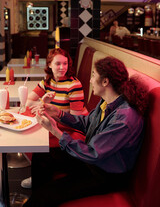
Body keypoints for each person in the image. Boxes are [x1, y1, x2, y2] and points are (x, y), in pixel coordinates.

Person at [23, 56, 148, 207]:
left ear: (105, 81)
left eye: (93, 75)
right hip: (95, 161)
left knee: (42, 198)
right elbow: (86, 122)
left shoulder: (123, 119)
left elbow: (91, 153)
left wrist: (54, 130)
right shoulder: (108, 102)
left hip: (106, 174)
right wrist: (58, 113)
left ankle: (41, 198)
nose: (89, 80)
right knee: (42, 158)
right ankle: (41, 195)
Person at [21, 48, 88, 189]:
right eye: (58, 64)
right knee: (27, 128)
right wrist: (43, 103)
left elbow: (75, 119)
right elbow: (28, 102)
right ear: (50, 65)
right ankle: (39, 173)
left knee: (35, 139)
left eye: (65, 63)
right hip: (54, 122)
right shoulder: (47, 82)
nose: (62, 67)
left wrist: (51, 111)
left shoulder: (74, 85)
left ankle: (41, 176)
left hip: (70, 129)